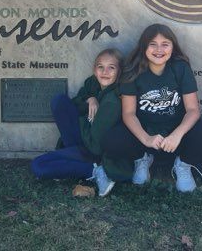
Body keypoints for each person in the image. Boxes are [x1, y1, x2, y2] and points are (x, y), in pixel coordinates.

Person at [102, 24, 202, 193]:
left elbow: (193, 110)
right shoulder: (132, 70)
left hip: (175, 139)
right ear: (144, 47)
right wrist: (146, 139)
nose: (159, 49)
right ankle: (141, 160)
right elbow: (129, 113)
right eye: (152, 44)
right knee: (111, 140)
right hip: (145, 138)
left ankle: (183, 165)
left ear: (173, 47)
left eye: (165, 44)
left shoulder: (180, 68)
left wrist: (177, 135)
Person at [31, 49, 129, 196]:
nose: (105, 71)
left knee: (38, 165)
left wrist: (83, 119)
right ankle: (70, 159)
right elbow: (76, 102)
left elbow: (96, 147)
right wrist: (90, 99)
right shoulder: (92, 83)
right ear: (94, 70)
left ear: (119, 71)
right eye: (100, 66)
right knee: (60, 101)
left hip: (94, 151)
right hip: (84, 139)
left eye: (111, 67)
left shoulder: (112, 101)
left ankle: (95, 171)